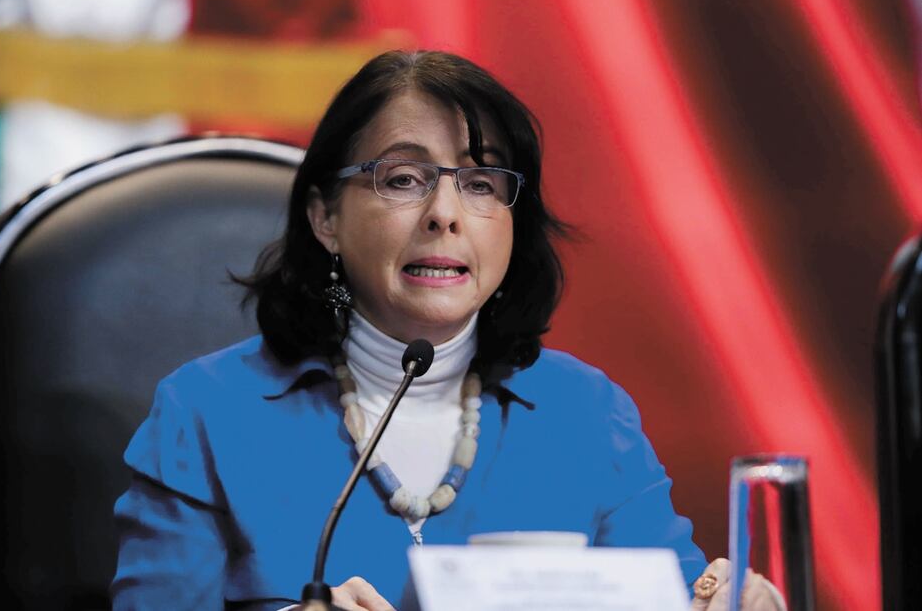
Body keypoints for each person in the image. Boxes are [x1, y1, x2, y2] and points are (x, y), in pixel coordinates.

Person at [111, 50, 779, 611]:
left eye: (482, 183)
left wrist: (725, 602)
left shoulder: (587, 413)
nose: (444, 214)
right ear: (326, 219)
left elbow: (675, 595)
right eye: (403, 179)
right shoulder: (204, 413)